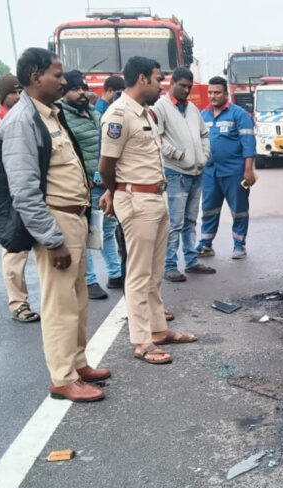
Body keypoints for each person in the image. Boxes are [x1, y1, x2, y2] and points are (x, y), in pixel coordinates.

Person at [0, 47, 108, 402]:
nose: (63, 81)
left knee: (78, 298)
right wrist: (52, 239)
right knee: (60, 304)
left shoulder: (51, 114)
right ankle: (62, 378)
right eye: (57, 75)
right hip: (56, 222)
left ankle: (78, 364)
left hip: (76, 218)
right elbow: (24, 190)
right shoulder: (22, 122)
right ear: (34, 76)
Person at [99, 56, 198, 365]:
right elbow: (106, 165)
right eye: (157, 79)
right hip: (137, 200)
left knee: (154, 273)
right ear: (142, 79)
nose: (161, 86)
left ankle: (158, 329)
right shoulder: (118, 115)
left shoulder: (145, 113)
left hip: (156, 197)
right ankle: (142, 340)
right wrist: (116, 192)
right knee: (139, 273)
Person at [0, 74, 40, 323]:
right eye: (12, 93)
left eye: (20, 92)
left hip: (32, 194)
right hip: (11, 201)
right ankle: (18, 304)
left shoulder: (30, 118)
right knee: (15, 253)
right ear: (3, 97)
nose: (17, 97)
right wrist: (0, 203)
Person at [59, 69, 123, 298]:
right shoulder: (62, 118)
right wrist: (83, 178)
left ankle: (115, 274)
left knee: (107, 230)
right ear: (64, 93)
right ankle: (89, 280)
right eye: (75, 89)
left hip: (105, 184)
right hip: (85, 187)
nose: (82, 93)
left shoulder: (95, 114)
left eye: (84, 88)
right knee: (87, 233)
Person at [151, 66, 215, 282]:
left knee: (190, 220)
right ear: (172, 84)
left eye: (189, 87)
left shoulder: (192, 108)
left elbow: (204, 134)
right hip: (175, 173)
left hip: (197, 172)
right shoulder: (160, 107)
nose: (186, 90)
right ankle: (170, 265)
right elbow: (157, 137)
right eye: (182, 86)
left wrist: (205, 154)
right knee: (175, 223)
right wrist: (177, 155)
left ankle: (191, 261)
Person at [195, 76, 256, 260]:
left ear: (226, 94)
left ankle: (239, 245)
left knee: (239, 210)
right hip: (210, 172)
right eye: (210, 92)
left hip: (234, 171)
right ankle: (205, 244)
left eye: (217, 92)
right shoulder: (203, 115)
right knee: (209, 209)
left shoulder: (239, 115)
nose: (213, 96)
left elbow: (248, 143)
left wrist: (248, 170)